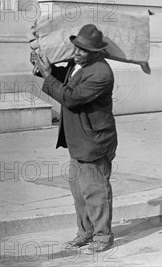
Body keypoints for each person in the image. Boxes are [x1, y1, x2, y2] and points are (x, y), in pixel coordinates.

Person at [32, 24, 117, 253]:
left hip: (94, 142)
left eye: (83, 50)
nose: (77, 52)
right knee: (79, 192)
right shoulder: (77, 64)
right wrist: (42, 67)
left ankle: (103, 237)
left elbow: (71, 97)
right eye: (77, 47)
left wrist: (49, 77)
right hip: (78, 139)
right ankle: (85, 232)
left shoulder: (101, 72)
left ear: (96, 51)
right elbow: (63, 79)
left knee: (95, 191)